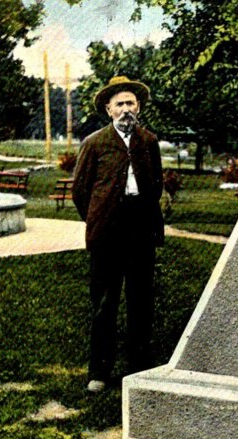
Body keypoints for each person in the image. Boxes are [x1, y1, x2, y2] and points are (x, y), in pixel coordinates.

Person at [72, 76, 164, 393]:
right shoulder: (95, 143)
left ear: (138, 108)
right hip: (108, 232)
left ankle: (139, 368)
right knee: (105, 303)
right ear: (109, 109)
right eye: (120, 104)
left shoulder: (148, 142)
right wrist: (99, 219)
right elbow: (81, 192)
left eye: (131, 103)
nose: (126, 109)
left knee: (141, 301)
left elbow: (156, 186)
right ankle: (99, 371)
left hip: (141, 229)